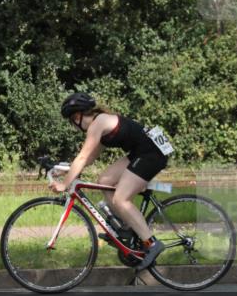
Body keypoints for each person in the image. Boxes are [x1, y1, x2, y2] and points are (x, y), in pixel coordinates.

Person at [52, 92, 171, 271]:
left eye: (71, 122)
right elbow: (89, 158)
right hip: (141, 152)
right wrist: (68, 170)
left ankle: (152, 243)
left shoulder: (97, 124)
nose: (73, 127)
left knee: (120, 199)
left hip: (150, 154)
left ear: (77, 117)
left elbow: (83, 157)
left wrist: (64, 184)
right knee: (105, 180)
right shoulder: (99, 124)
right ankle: (126, 227)